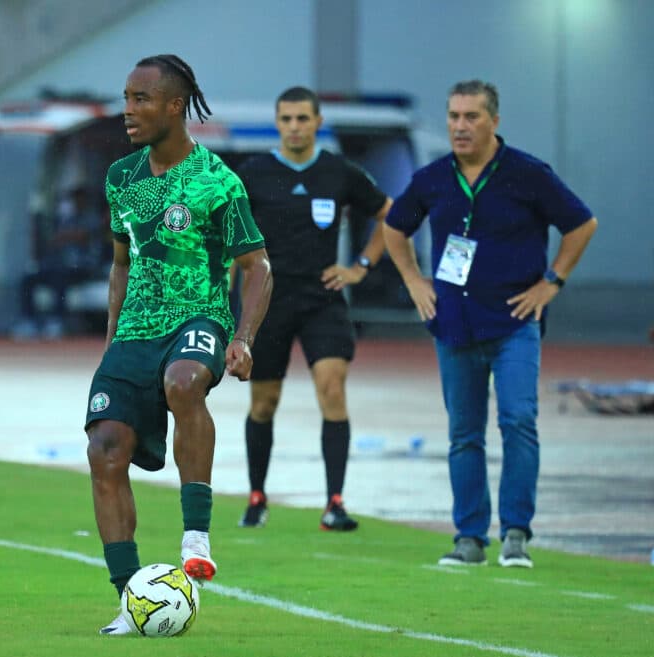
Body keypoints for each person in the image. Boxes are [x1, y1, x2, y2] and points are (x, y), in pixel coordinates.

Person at [85, 54, 272, 635]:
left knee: (185, 382)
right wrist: (113, 338)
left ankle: (196, 534)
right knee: (104, 449)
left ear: (174, 105)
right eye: (125, 98)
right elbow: (120, 263)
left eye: (141, 99)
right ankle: (131, 599)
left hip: (200, 318)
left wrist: (242, 338)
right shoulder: (121, 178)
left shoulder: (218, 181)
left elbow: (257, 267)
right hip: (136, 330)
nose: (128, 111)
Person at [383, 80, 597, 568]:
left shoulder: (528, 174)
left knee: (519, 421)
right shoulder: (433, 177)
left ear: (494, 121)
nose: (460, 125)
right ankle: (470, 538)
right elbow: (395, 228)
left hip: (514, 322)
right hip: (453, 324)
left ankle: (517, 533)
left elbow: (582, 224)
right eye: (454, 116)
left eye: (471, 117)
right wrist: (415, 282)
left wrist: (552, 283)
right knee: (464, 433)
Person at [235, 86, 393, 532]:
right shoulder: (253, 173)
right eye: (286, 119)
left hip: (322, 298)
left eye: (303, 118)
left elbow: (390, 215)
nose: (295, 127)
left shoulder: (339, 172)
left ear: (318, 122)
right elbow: (226, 235)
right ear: (277, 121)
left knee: (332, 387)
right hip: (269, 301)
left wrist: (360, 266)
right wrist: (230, 294)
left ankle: (335, 503)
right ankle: (257, 497)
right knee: (264, 402)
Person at [18, 185, 108, 338]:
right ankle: (29, 321)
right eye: (74, 198)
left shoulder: (92, 219)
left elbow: (82, 236)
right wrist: (63, 237)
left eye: (80, 198)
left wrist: (66, 237)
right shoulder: (68, 219)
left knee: (59, 277)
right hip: (64, 265)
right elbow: (55, 240)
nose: (77, 202)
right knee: (28, 280)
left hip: (85, 268)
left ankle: (56, 320)